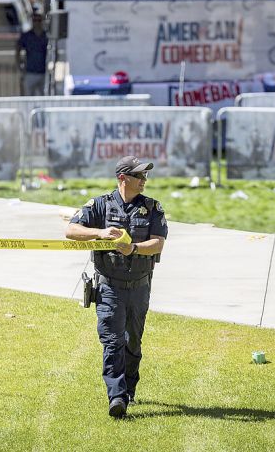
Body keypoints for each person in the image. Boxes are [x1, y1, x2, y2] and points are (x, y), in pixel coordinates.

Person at [65, 156, 168, 418]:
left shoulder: (153, 207)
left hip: (139, 287)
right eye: (139, 176)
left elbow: (157, 243)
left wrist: (132, 247)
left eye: (145, 176)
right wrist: (99, 233)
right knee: (112, 341)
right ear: (123, 178)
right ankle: (117, 396)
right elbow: (71, 230)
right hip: (109, 287)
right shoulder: (100, 205)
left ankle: (129, 387)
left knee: (132, 341)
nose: (144, 180)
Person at [15, 13, 48, 96]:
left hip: (43, 72)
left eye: (39, 20)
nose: (37, 23)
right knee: (28, 97)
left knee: (43, 98)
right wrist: (19, 65)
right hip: (30, 72)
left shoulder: (46, 36)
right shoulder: (26, 36)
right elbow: (18, 48)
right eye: (34, 20)